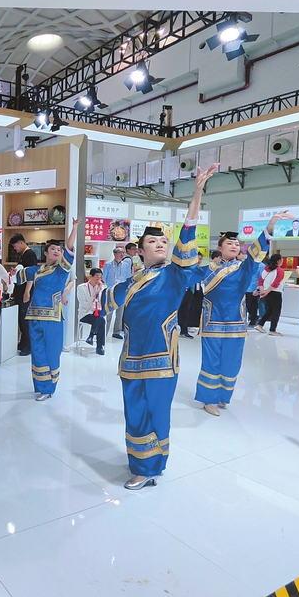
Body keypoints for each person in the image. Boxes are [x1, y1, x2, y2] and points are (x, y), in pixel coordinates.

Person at [101, 163, 216, 490]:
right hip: (130, 359)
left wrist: (197, 192)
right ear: (140, 250)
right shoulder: (133, 280)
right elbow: (107, 302)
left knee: (157, 414)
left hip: (162, 359)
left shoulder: (174, 274)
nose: (161, 244)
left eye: (164, 240)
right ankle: (141, 463)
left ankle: (151, 467)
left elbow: (187, 235)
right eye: (153, 241)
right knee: (135, 414)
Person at [194, 217, 290, 417]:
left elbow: (255, 253)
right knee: (211, 361)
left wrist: (270, 226)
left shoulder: (244, 267)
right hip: (211, 321)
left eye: (237, 244)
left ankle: (223, 394)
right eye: (229, 243)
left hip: (236, 322)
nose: (234, 246)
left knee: (232, 362)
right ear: (219, 248)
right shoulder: (208, 270)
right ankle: (209, 399)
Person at [22, 218, 81, 401]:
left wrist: (74, 228)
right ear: (46, 253)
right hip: (34, 316)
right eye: (53, 249)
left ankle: (49, 388)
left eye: (59, 250)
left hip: (53, 318)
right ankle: (41, 386)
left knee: (52, 354)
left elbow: (69, 248)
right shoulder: (36, 270)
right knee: (37, 353)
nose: (57, 251)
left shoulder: (61, 270)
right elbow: (18, 275)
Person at [9, 233, 38, 356]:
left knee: (25, 319)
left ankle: (28, 346)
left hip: (25, 292)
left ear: (21, 243)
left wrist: (27, 292)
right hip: (20, 291)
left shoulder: (29, 255)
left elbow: (31, 274)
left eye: (15, 246)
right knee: (21, 319)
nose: (14, 248)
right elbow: (24, 273)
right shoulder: (24, 255)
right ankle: (23, 343)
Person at [102, 246, 132, 340]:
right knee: (109, 311)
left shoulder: (126, 265)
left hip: (122, 291)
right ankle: (104, 331)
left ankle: (116, 331)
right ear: (115, 254)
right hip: (110, 291)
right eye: (120, 252)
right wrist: (109, 286)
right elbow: (104, 277)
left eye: (123, 253)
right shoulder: (108, 265)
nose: (122, 254)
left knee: (120, 312)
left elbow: (128, 277)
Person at [254, 254, 286, 336]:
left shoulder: (266, 270)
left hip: (266, 292)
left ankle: (260, 324)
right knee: (276, 312)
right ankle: (272, 329)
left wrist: (263, 291)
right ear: (279, 261)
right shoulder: (280, 271)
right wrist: (266, 291)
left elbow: (260, 281)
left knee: (269, 311)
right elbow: (275, 284)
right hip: (275, 292)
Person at [77, 267, 105, 355]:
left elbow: (102, 304)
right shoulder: (81, 288)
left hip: (97, 314)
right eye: (96, 277)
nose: (98, 279)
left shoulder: (101, 289)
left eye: (100, 277)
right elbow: (84, 305)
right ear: (91, 276)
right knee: (100, 319)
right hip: (85, 314)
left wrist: (99, 291)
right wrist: (95, 293)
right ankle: (99, 346)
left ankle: (91, 336)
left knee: (100, 318)